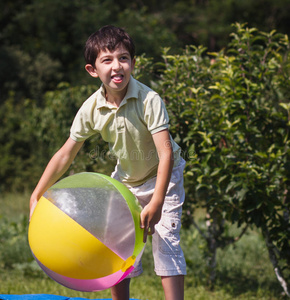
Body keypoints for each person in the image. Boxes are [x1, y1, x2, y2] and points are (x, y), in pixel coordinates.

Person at [29, 25, 186, 300]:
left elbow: (166, 154)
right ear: (92, 70)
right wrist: (37, 193)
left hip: (164, 178)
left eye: (124, 58)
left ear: (133, 63)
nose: (117, 66)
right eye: (108, 60)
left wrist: (158, 200)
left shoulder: (149, 100)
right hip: (125, 180)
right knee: (118, 247)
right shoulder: (91, 108)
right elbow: (66, 153)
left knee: (166, 245)